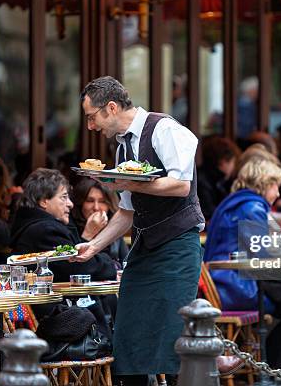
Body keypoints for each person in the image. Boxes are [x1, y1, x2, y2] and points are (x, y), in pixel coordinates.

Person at [73, 76, 204, 385]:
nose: (91, 127)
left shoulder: (164, 129)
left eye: (92, 117)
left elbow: (181, 185)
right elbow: (127, 212)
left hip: (177, 245)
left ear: (112, 107)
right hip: (144, 246)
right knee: (129, 333)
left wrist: (128, 182)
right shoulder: (122, 151)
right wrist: (94, 245)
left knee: (172, 335)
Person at [204, 158, 281, 311]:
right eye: (276, 186)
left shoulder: (238, 201)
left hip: (222, 282)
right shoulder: (252, 208)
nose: (278, 193)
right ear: (265, 184)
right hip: (238, 288)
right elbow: (262, 255)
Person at [9, 168, 116, 283]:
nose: (70, 204)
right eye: (63, 197)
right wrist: (111, 265)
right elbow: (79, 267)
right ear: (44, 201)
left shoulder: (40, 226)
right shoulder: (46, 230)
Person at [70, 178, 130, 265]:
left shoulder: (114, 228)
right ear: (80, 203)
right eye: (90, 201)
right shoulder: (70, 226)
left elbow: (125, 262)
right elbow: (72, 265)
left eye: (102, 201)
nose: (96, 207)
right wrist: (88, 234)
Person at [197, 135, 240, 221]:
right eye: (232, 162)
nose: (233, 167)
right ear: (223, 162)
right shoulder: (207, 182)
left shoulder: (215, 180)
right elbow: (211, 213)